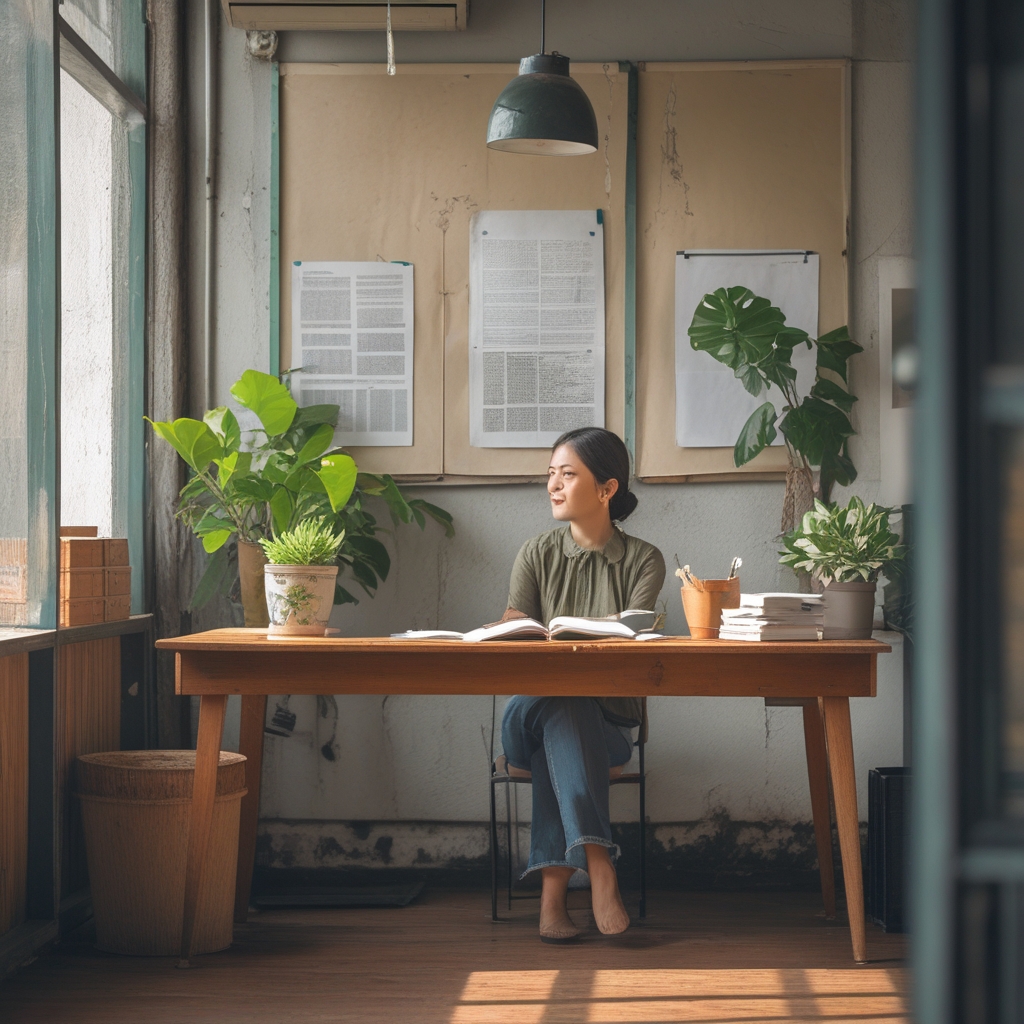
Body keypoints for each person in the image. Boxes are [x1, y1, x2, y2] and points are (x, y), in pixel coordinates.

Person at [499, 427, 666, 943]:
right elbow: (514, 625)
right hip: (523, 722)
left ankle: (552, 903)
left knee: (564, 721)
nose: (553, 485)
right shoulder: (534, 552)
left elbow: (635, 632)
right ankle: (599, 864)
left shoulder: (645, 559)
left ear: (606, 488)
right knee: (558, 704)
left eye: (567, 474)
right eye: (550, 474)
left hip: (608, 727)